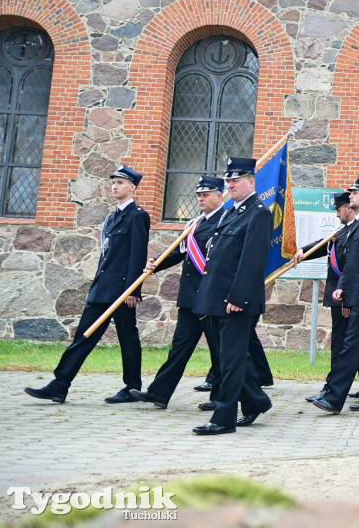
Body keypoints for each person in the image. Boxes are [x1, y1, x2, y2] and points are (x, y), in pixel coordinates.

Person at [26, 166, 150, 404]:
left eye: (121, 183)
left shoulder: (137, 215)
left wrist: (134, 290)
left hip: (121, 291)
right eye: (113, 182)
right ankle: (59, 385)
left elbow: (137, 254)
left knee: (128, 338)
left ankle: (132, 387)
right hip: (102, 289)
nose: (115, 186)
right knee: (83, 337)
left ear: (132, 187)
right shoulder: (112, 216)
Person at [190, 158, 273, 434]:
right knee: (229, 357)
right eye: (228, 181)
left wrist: (238, 298)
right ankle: (256, 401)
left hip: (237, 301)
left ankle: (223, 419)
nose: (231, 185)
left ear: (251, 181)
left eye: (236, 180)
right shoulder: (230, 212)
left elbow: (252, 261)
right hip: (217, 297)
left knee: (232, 359)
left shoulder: (258, 213)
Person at [131, 176, 226, 409]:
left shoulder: (226, 221)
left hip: (212, 297)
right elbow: (180, 252)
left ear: (219, 196)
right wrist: (156, 263)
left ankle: (221, 398)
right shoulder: (195, 223)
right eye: (199, 195)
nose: (201, 199)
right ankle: (159, 393)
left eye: (205, 195)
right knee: (179, 348)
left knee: (219, 350)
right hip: (191, 298)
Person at [311, 176, 359, 415]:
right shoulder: (356, 224)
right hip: (354, 293)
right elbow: (351, 264)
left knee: (350, 347)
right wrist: (341, 287)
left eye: (355, 192)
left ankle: (334, 398)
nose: (351, 195)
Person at [291, 191, 356, 403]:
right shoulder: (342, 231)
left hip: (344, 298)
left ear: (348, 207)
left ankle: (333, 389)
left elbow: (352, 267)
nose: (337, 214)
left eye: (338, 210)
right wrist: (304, 250)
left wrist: (347, 298)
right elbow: (324, 245)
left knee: (342, 345)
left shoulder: (355, 231)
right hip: (339, 296)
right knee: (352, 344)